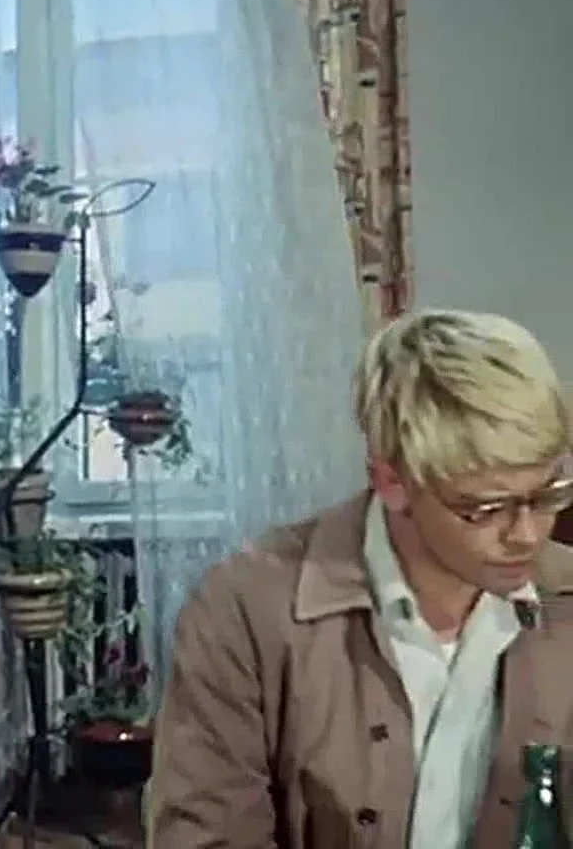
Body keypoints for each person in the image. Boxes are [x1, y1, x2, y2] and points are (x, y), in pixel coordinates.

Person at [148, 308, 573, 848]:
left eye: (547, 495)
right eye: (484, 509)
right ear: (391, 482)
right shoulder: (245, 611)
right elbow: (206, 835)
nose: (527, 534)